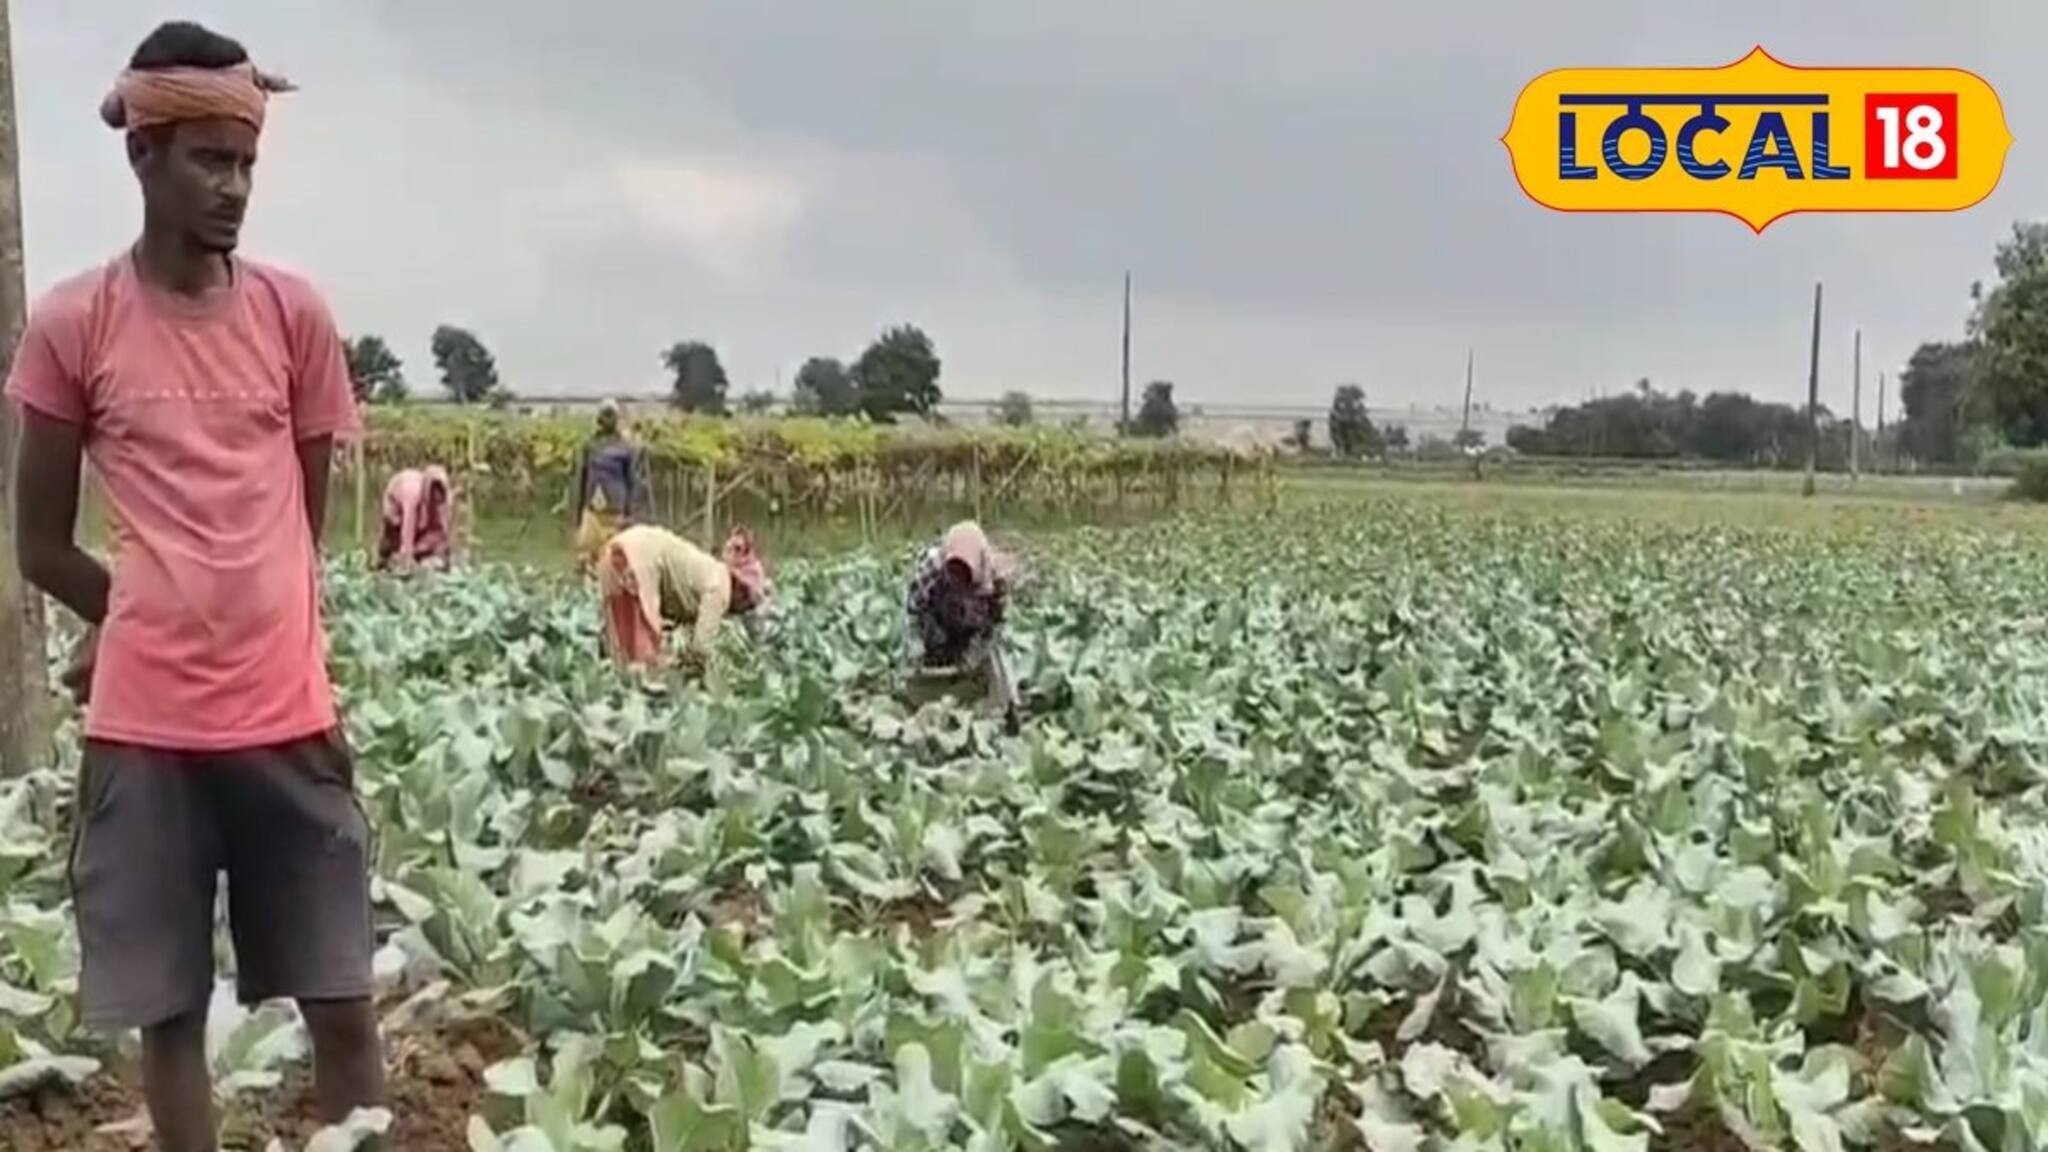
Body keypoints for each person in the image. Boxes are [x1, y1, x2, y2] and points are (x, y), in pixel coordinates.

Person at [7, 22, 383, 1151]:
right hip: (145, 736)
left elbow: (292, 533)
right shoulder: (78, 322)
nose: (233, 188)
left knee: (343, 998)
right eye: (208, 161)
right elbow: (40, 546)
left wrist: (250, 621)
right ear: (144, 158)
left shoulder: (290, 317)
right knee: (169, 1017)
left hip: (286, 720)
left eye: (246, 164)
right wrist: (133, 615)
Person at [598, 524, 769, 676]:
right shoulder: (721, 586)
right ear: (741, 591)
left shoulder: (709, 570)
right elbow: (701, 649)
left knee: (621, 657)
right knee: (647, 665)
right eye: (748, 603)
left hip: (616, 551)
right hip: (640, 563)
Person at [902, 521, 1022, 733]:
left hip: (973, 626)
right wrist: (916, 646)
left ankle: (1007, 707)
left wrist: (976, 652)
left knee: (994, 663)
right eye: (953, 571)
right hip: (938, 620)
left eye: (963, 572)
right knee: (926, 670)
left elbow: (996, 626)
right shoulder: (932, 566)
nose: (956, 578)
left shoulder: (993, 577)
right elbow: (913, 610)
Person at [574, 399, 649, 572]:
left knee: (613, 563)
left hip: (615, 515)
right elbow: (582, 479)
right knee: (585, 560)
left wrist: (630, 515)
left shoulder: (626, 448)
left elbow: (633, 482)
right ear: (599, 418)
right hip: (593, 512)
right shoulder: (590, 445)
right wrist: (579, 513)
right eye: (605, 414)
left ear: (616, 419)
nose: (607, 418)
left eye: (611, 415)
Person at [374, 464, 453, 572]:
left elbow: (443, 528)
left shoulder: (445, 499)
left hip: (422, 515)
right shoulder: (412, 494)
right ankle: (381, 565)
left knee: (433, 544)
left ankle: (421, 559)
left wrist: (444, 550)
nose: (437, 496)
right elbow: (407, 528)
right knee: (391, 547)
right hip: (396, 509)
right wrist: (407, 557)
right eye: (434, 491)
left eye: (439, 491)